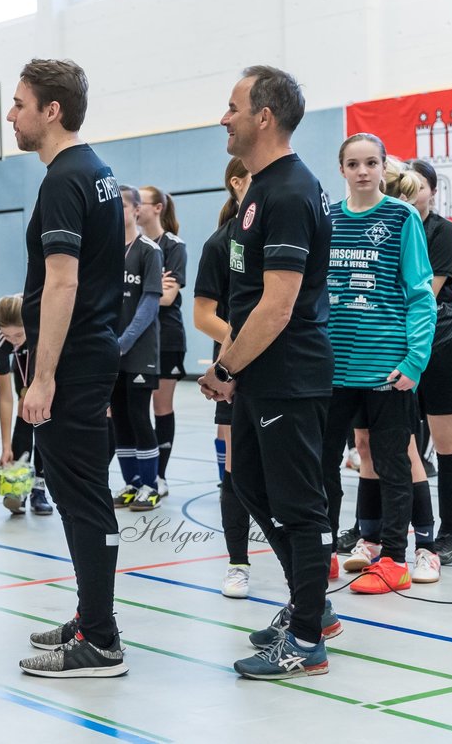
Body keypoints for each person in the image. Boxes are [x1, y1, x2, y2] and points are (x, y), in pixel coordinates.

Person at [199, 65, 339, 680]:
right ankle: (309, 603)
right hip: (261, 376)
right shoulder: (258, 188)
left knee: (299, 506)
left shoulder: (287, 191)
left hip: (287, 374)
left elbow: (278, 304)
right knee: (250, 485)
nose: (222, 118)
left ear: (264, 117)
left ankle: (308, 638)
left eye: (232, 107)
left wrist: (225, 366)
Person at [8, 59, 127, 679]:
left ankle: (101, 640)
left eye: (20, 104)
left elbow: (63, 280)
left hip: (74, 360)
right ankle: (89, 617)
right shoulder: (96, 172)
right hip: (90, 350)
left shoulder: (64, 179)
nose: (11, 116)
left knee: (81, 497)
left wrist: (44, 375)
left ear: (51, 111)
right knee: (79, 492)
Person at [320, 135, 436, 594]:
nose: (363, 171)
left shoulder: (402, 216)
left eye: (371, 162)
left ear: (384, 166)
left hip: (387, 368)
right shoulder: (325, 219)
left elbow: (421, 296)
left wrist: (415, 360)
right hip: (332, 369)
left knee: (392, 464)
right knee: (324, 463)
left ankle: (393, 558)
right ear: (342, 169)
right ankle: (324, 550)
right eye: (353, 163)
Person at [407, 157, 452, 563]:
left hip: (444, 343)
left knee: (449, 447)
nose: (411, 190)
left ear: (432, 190)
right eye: (404, 183)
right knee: (398, 445)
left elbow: (425, 296)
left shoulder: (442, 230)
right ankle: (399, 527)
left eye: (419, 184)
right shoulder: (388, 224)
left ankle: (447, 534)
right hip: (395, 346)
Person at [194, 157, 257, 598]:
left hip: (283, 370)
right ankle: (238, 564)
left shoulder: (278, 234)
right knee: (234, 471)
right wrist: (240, 340)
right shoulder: (220, 244)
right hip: (234, 368)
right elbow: (203, 316)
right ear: (237, 183)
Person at [111, 185, 164, 512]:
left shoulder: (149, 251)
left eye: (122, 205)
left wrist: (124, 342)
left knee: (138, 416)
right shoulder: (105, 250)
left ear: (135, 210)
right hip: (110, 350)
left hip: (139, 351)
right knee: (120, 419)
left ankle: (150, 485)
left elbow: (149, 302)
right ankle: (131, 483)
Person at [138, 186, 187, 497]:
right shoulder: (133, 246)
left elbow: (168, 297)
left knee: (161, 405)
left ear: (157, 208)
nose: (134, 208)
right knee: (133, 408)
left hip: (166, 337)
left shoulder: (173, 246)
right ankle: (138, 475)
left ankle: (160, 476)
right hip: (138, 337)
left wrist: (139, 292)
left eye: (139, 202)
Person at [0, 293, 52, 515]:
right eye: (7, 335)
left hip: (45, 361)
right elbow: (5, 397)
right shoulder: (1, 341)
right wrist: (5, 446)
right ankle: (19, 484)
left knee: (43, 416)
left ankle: (39, 488)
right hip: (23, 371)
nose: (13, 340)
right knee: (23, 409)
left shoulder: (39, 328)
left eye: (18, 334)